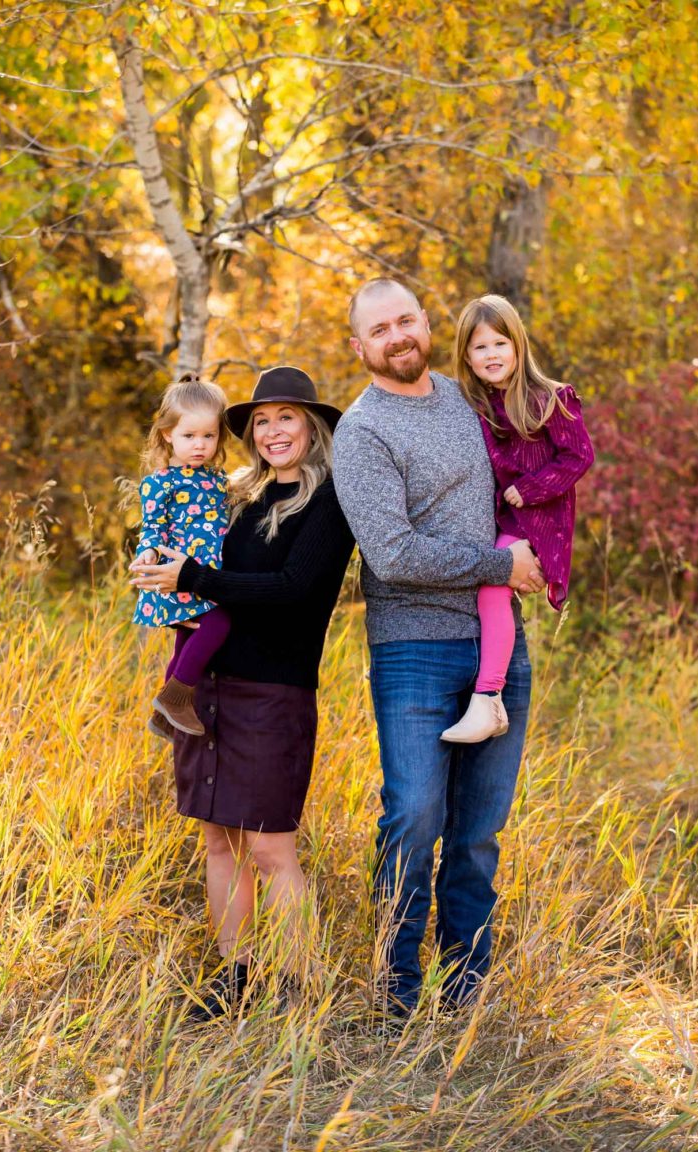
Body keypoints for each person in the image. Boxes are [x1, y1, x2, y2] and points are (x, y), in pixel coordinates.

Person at [332, 277, 544, 1015]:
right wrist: (500, 565)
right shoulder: (361, 433)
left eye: (405, 320)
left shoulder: (467, 398)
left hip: (499, 648)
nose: (397, 336)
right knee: (415, 817)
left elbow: (535, 459)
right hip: (414, 648)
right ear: (359, 347)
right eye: (379, 329)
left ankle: (466, 995)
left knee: (479, 834)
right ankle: (395, 990)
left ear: (426, 323)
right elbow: (391, 555)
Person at [130, 366, 354, 1016]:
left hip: (274, 691)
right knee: (218, 839)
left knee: (270, 845)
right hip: (209, 689)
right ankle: (236, 976)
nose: (273, 430)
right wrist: (154, 567)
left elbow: (292, 591)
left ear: (311, 427)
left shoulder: (330, 501)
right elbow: (180, 555)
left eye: (287, 417)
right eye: (261, 420)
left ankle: (298, 984)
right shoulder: (234, 498)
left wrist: (194, 576)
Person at [441, 295, 594, 743]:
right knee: (486, 589)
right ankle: (486, 696)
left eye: (500, 344)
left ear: (518, 346)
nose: (492, 355)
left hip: (540, 523)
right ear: (467, 357)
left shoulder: (551, 399)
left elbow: (579, 456)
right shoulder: (478, 406)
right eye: (480, 347)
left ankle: (488, 697)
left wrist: (529, 489)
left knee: (492, 586)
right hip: (501, 524)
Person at [132, 373, 231, 738]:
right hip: (179, 572)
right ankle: (177, 697)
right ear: (167, 435)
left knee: (187, 638)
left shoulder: (219, 480)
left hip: (210, 574)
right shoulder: (160, 482)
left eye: (209, 435)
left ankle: (163, 712)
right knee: (218, 622)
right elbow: (152, 528)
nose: (200, 444)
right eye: (189, 436)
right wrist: (147, 554)